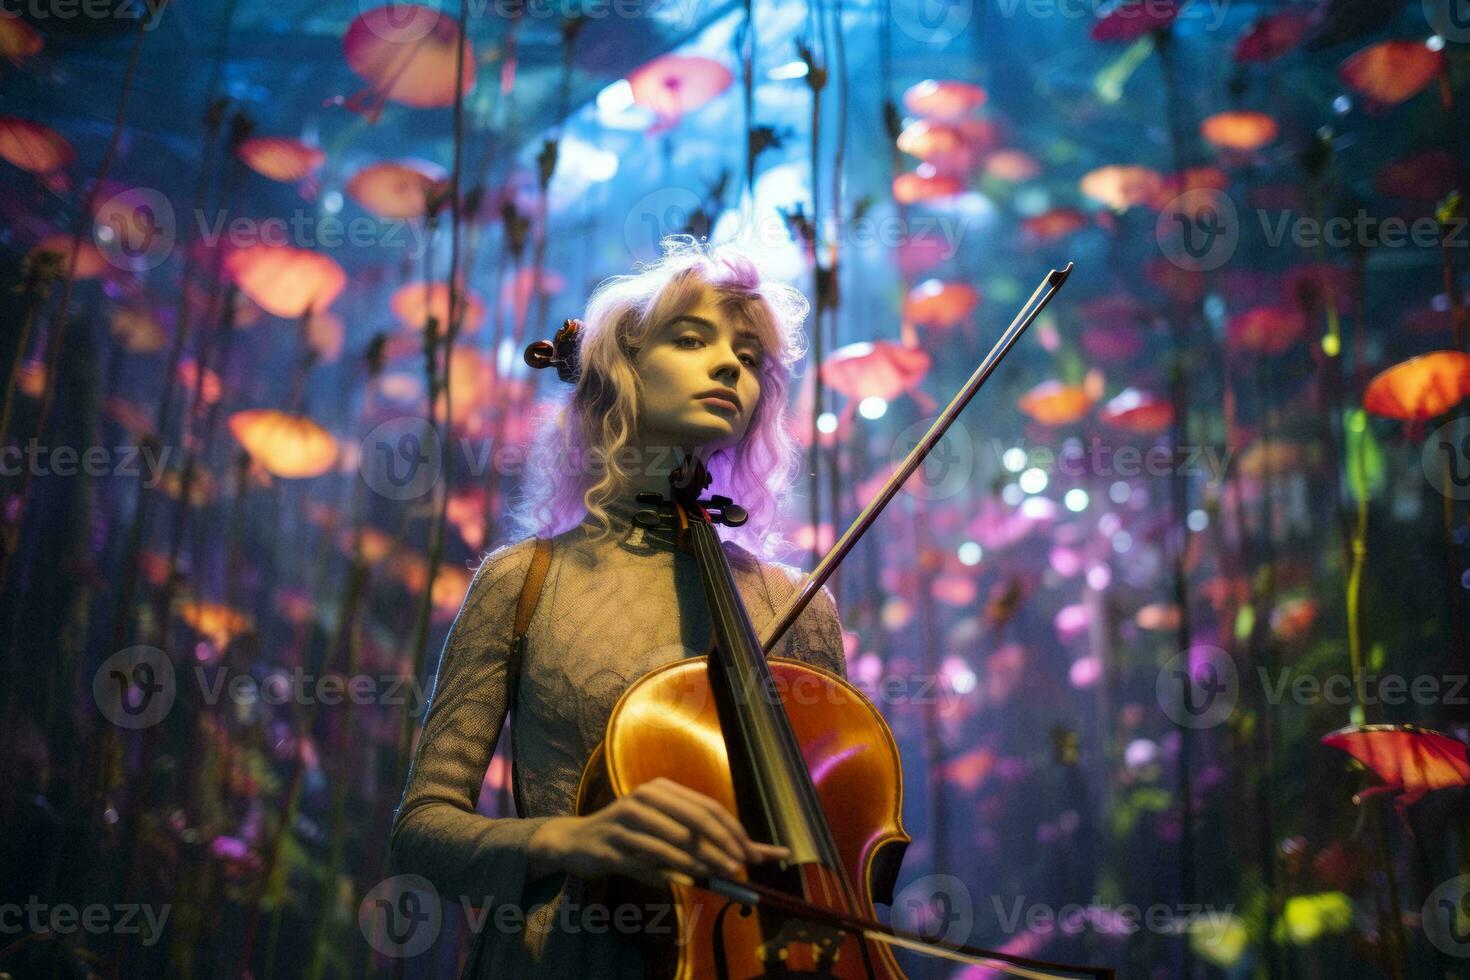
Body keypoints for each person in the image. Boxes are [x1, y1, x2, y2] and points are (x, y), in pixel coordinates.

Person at [388, 236, 852, 976]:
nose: (731, 364)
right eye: (692, 338)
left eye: (750, 355)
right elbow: (420, 833)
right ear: (621, 370)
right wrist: (568, 841)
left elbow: (845, 854)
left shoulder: (796, 606)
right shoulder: (522, 582)